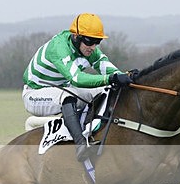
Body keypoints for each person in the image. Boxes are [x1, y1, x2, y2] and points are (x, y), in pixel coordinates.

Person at [22, 13, 133, 162]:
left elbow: (105, 67)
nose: (93, 47)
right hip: (35, 95)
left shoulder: (87, 48)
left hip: (64, 89)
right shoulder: (58, 47)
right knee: (67, 97)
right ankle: (80, 144)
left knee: (106, 91)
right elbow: (77, 79)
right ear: (76, 36)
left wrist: (126, 77)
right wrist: (110, 78)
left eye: (97, 41)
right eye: (89, 41)